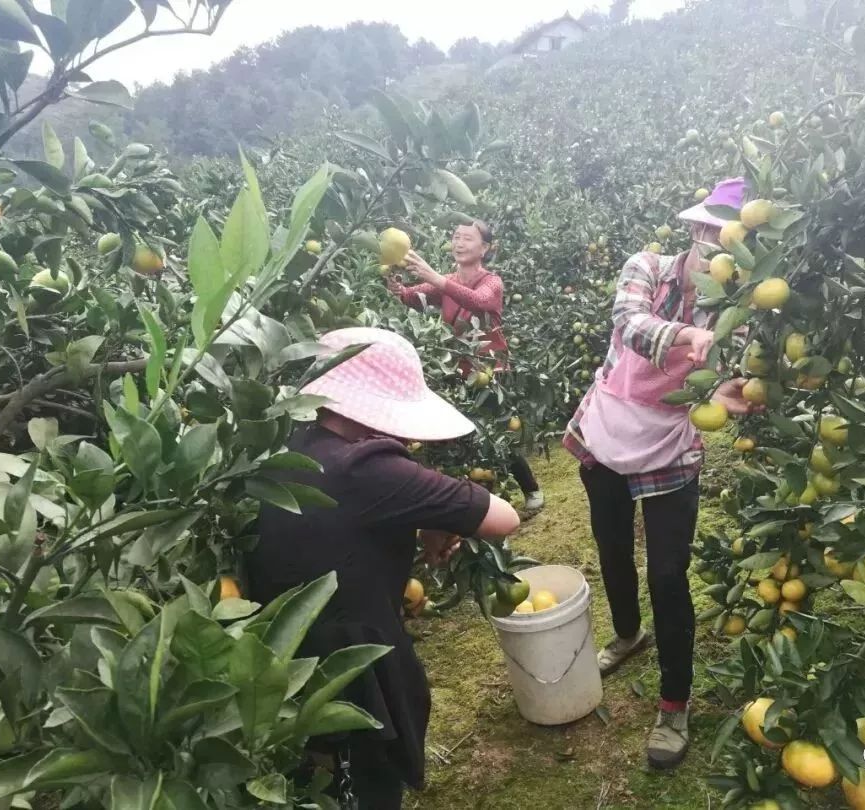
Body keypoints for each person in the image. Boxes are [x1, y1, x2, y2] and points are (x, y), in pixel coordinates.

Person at [245, 327, 521, 809]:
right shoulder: (366, 467)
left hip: (280, 656)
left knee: (322, 780)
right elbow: (503, 518)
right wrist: (432, 509)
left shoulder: (291, 444)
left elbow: (337, 528)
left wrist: (423, 519)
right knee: (366, 783)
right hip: (348, 668)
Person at [562, 178, 762, 770]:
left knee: (670, 574)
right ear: (699, 232)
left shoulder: (739, 305)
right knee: (612, 546)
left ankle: (674, 704)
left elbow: (733, 371)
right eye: (719, 237)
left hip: (669, 442)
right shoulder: (645, 266)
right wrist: (689, 335)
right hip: (609, 428)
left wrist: (731, 387)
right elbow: (628, 322)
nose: (724, 253)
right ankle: (628, 635)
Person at [387, 221, 546, 513]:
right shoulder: (445, 281)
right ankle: (483, 503)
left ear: (484, 248)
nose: (459, 243)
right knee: (463, 437)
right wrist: (398, 287)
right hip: (456, 371)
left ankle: (530, 488)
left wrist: (436, 278)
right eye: (456, 237)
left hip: (489, 371)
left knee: (494, 433)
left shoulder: (491, 282)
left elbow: (480, 301)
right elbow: (413, 297)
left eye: (468, 238)